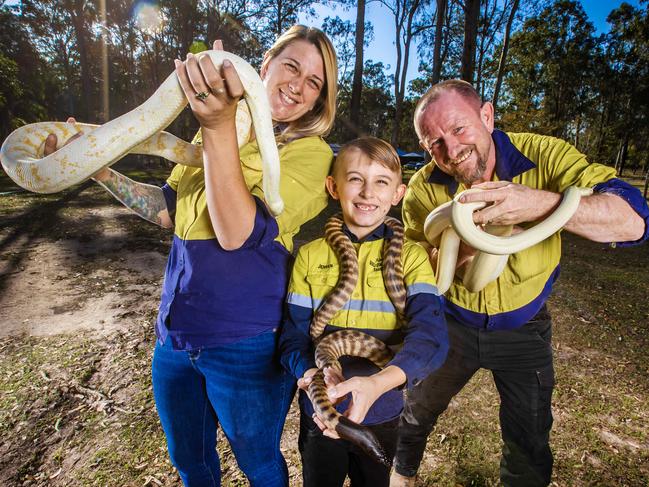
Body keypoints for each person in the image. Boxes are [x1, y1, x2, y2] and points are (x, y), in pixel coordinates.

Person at [45, 25, 338, 487]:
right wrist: (95, 167)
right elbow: (166, 210)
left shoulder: (312, 155)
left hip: (247, 343)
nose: (298, 85)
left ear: (320, 100)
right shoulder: (212, 132)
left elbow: (237, 233)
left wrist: (218, 128)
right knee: (191, 462)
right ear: (263, 66)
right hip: (175, 337)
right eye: (291, 66)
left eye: (315, 83)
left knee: (258, 464)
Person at [389, 79, 649, 487]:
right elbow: (416, 264)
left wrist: (536, 203)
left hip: (525, 328)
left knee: (529, 435)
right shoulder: (423, 189)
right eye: (434, 143)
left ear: (487, 116)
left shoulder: (546, 156)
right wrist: (451, 257)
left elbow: (633, 220)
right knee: (415, 411)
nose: (451, 151)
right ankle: (400, 476)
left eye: (458, 129)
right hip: (452, 324)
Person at [278, 137, 449, 487]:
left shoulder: (411, 257)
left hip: (384, 411)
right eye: (355, 178)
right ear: (334, 187)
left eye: (381, 182)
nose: (368, 192)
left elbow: (431, 337)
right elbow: (293, 337)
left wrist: (378, 383)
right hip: (321, 411)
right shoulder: (310, 255)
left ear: (397, 194)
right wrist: (310, 371)